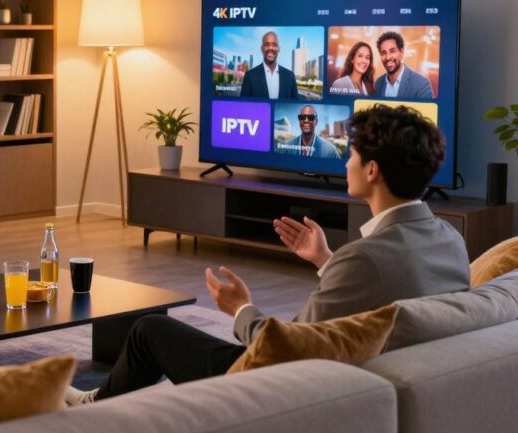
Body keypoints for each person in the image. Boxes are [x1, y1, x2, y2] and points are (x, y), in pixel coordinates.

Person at [67, 104, 469, 405]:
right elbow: (384, 290)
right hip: (359, 379)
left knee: (150, 330)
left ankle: (92, 409)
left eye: (351, 155)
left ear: (371, 171)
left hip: (275, 386)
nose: (346, 162)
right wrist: (325, 261)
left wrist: (241, 309)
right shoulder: (451, 239)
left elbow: (282, 350)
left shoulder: (364, 258)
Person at [239, 31, 299, 99]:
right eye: (267, 44)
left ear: (279, 49)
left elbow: (295, 105)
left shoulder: (290, 76)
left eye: (274, 45)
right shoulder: (250, 76)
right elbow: (243, 106)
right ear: (262, 49)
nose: (271, 48)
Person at [374, 31, 434, 99]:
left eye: (392, 51)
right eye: (383, 53)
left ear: (402, 52)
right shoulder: (378, 83)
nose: (388, 57)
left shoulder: (421, 84)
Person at [275, 105, 341, 158]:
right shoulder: (286, 147)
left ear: (316, 122)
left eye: (311, 118)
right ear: (299, 121)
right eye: (302, 117)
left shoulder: (330, 151)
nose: (306, 121)